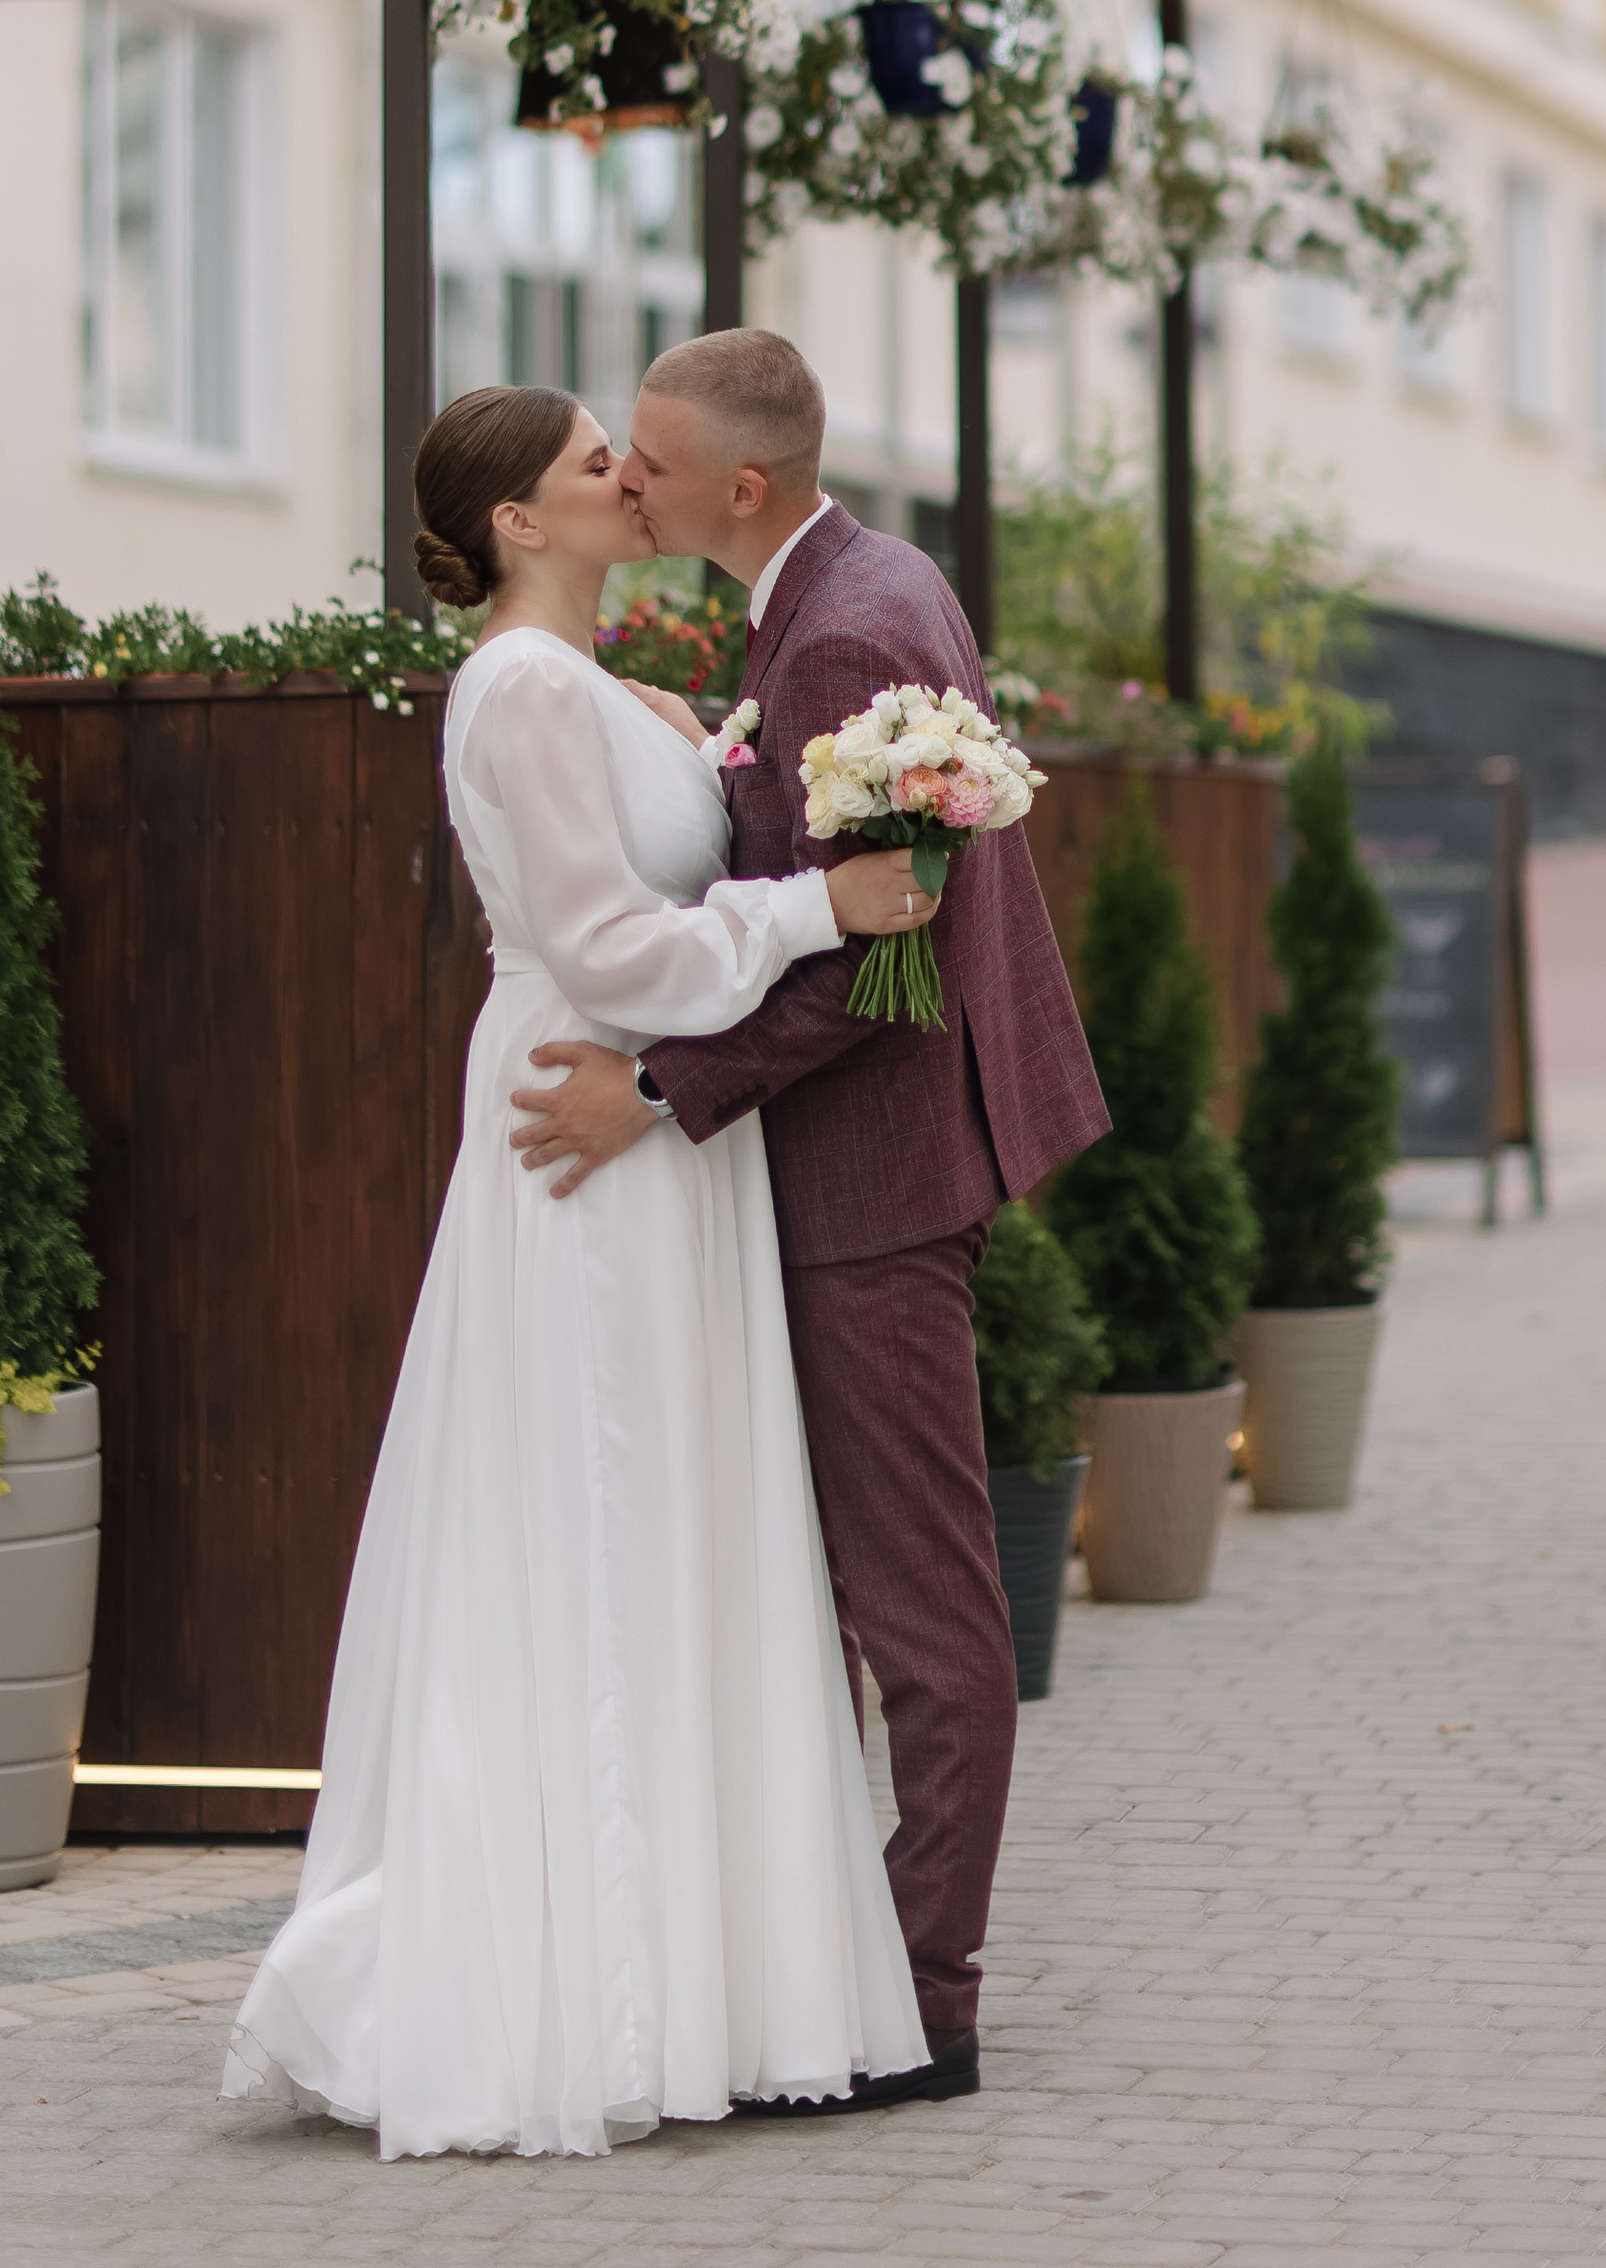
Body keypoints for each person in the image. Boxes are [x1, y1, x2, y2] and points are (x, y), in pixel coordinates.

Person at [222, 383, 944, 2161]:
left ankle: (701, 1977)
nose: (631, 476)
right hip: (590, 1119)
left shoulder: (603, 686)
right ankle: (581, 1987)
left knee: (669, 1516)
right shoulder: (525, 687)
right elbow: (610, 950)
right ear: (519, 524)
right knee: (602, 1517)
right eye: (592, 463)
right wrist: (819, 909)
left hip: (663, 1141)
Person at [508, 329, 1109, 2104]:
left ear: (741, 486)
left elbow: (870, 956)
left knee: (919, 1602)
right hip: (868, 1160)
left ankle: (925, 1999)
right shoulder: (852, 588)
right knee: (861, 1587)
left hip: (874, 1175)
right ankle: (848, 1968)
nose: (627, 477)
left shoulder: (844, 626)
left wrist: (656, 1088)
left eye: (649, 455)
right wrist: (707, 752)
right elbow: (820, 875)